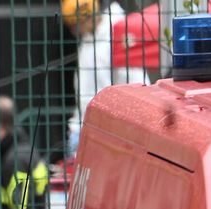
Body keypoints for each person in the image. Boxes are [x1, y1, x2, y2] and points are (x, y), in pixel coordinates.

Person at [62, 0, 150, 156]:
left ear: (86, 18)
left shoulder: (117, 35)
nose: (75, 31)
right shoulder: (91, 39)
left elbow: (135, 83)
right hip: (88, 125)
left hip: (111, 130)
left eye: (76, 25)